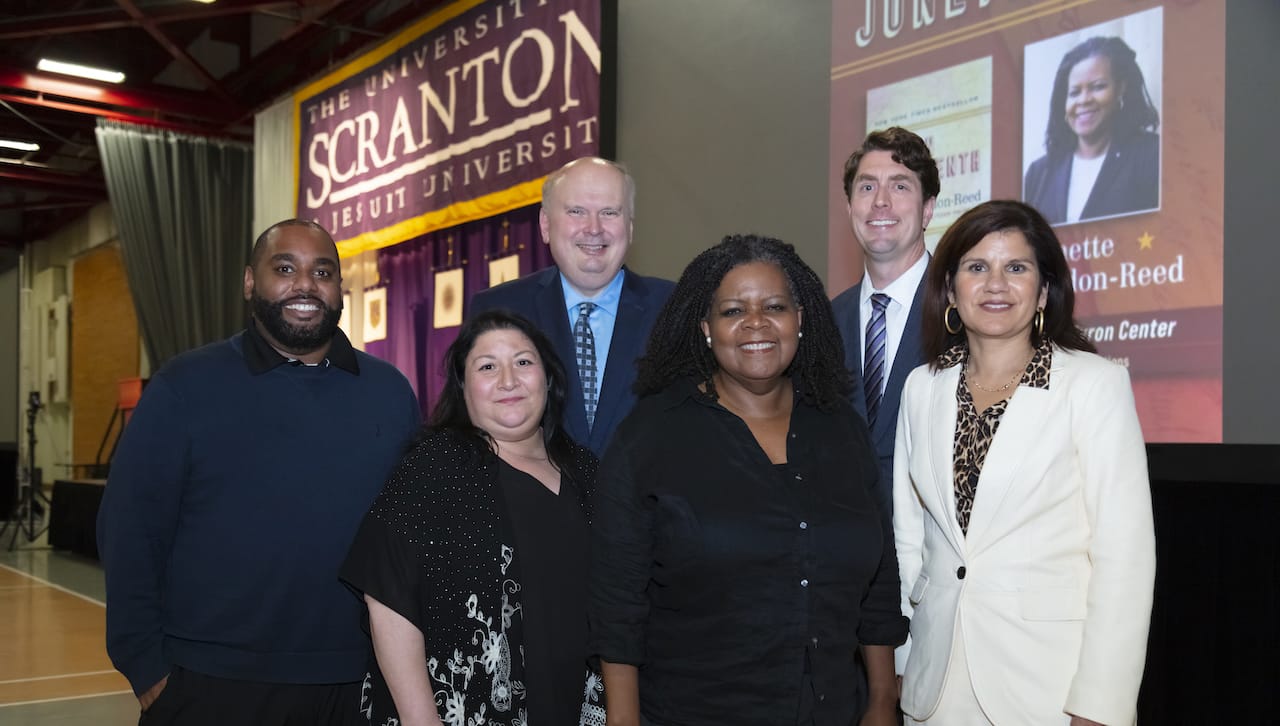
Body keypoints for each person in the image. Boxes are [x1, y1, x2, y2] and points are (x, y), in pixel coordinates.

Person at [97, 219, 421, 725]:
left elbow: (411, 537)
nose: (306, 285)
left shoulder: (389, 392)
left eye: (323, 271)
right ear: (251, 281)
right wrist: (147, 669)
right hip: (211, 684)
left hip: (357, 682)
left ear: (340, 288)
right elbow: (130, 529)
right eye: (285, 268)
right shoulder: (185, 385)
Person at [590, 234, 907, 726]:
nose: (755, 324)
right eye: (734, 310)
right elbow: (618, 603)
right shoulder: (652, 435)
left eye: (774, 306)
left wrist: (883, 701)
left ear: (799, 319)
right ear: (706, 328)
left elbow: (879, 579)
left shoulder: (841, 428)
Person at [893, 200, 1156, 725]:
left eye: (1016, 268)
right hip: (935, 683)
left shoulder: (1092, 386)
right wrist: (903, 663)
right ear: (949, 288)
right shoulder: (922, 388)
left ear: (1042, 291)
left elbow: (1124, 557)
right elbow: (909, 539)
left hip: (1048, 688)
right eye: (976, 267)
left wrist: (1099, 704)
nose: (995, 284)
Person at [340, 309, 604, 726]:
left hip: (577, 702)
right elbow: (387, 599)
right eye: (487, 367)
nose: (508, 380)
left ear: (548, 378)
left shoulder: (588, 473)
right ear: (463, 389)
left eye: (523, 362)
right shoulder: (436, 467)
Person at [468, 156, 674, 456]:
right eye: (576, 211)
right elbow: (470, 432)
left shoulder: (674, 308)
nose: (594, 228)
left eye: (609, 212)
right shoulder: (497, 309)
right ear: (545, 224)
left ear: (629, 227)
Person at [831, 126, 941, 519]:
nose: (880, 202)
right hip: (846, 559)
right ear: (849, 208)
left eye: (899, 187)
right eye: (866, 187)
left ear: (928, 209)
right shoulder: (824, 323)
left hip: (937, 562)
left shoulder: (963, 314)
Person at [1024, 36, 1161, 224]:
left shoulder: (1153, 155)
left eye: (1097, 87)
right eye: (1074, 93)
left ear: (1120, 89)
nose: (1084, 100)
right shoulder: (1039, 174)